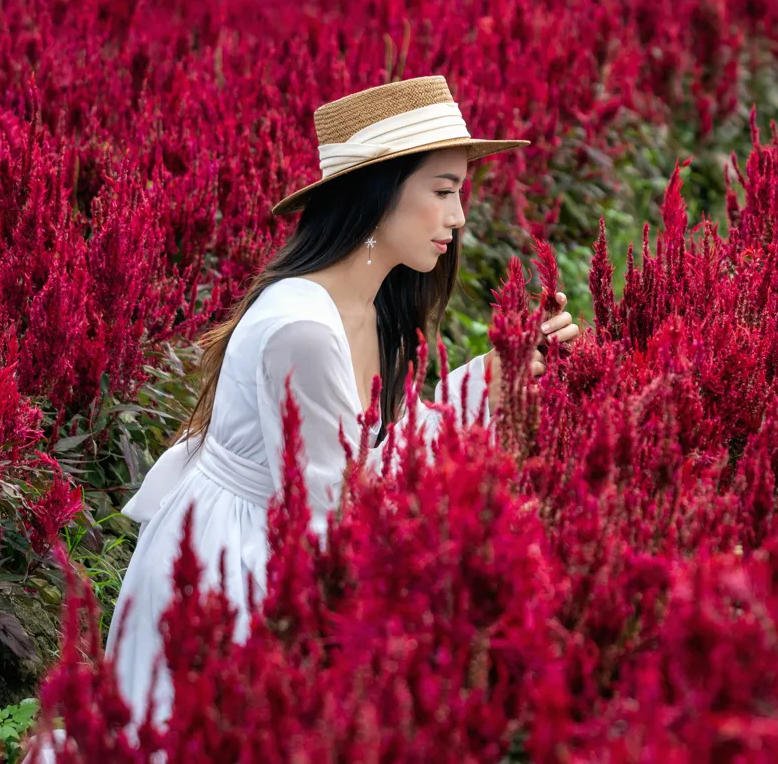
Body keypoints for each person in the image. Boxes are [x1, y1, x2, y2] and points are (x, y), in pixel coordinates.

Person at [100, 75, 581, 735]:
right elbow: (334, 515)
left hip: (267, 541)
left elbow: (359, 468)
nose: (459, 217)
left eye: (459, 193)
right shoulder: (305, 327)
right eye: (442, 192)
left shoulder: (366, 305)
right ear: (377, 194)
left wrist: (502, 371)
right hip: (230, 573)